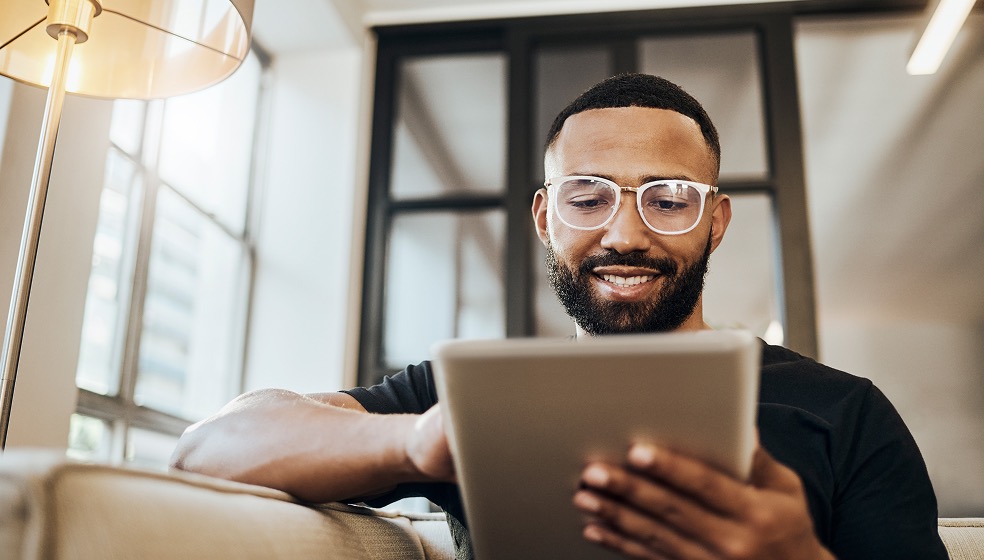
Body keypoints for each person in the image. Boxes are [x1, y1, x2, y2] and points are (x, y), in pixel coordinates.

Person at [170, 74, 947, 560]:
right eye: (589, 196)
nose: (624, 233)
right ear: (545, 216)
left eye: (667, 198)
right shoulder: (467, 397)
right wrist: (418, 439)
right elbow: (210, 449)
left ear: (716, 222)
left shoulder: (848, 413)